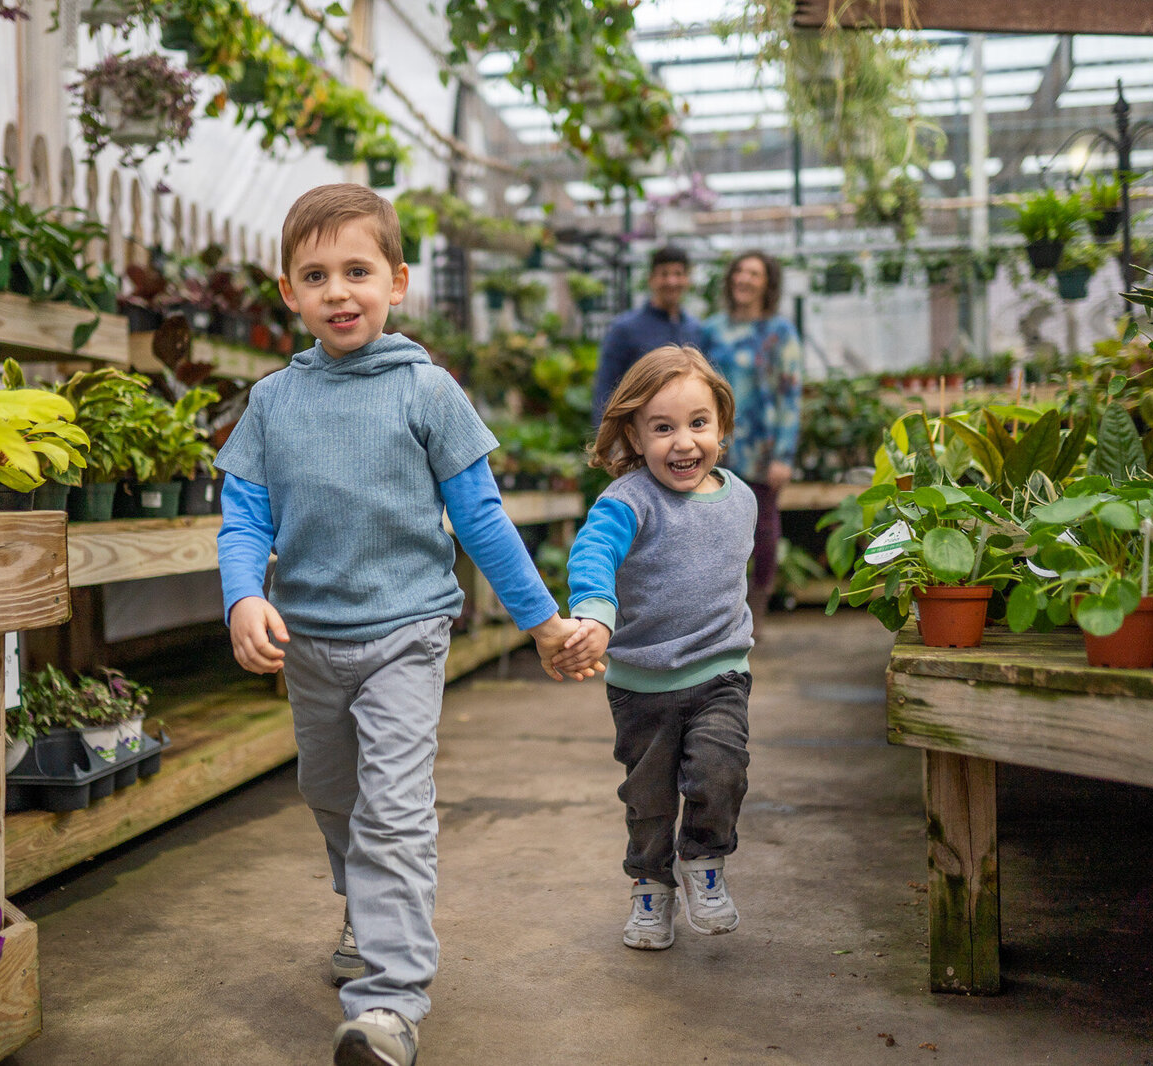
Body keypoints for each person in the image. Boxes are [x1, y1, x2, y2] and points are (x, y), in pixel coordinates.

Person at [214, 183, 594, 1066]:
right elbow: (244, 517)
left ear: (397, 282)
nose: (339, 292)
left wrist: (540, 622)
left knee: (392, 812)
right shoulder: (273, 402)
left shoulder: (428, 390)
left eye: (358, 271)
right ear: (289, 293)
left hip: (408, 635)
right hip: (309, 639)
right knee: (331, 795)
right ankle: (366, 915)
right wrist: (244, 594)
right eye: (317, 275)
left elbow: (483, 519)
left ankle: (388, 1002)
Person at [552, 345, 756, 952]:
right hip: (642, 685)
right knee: (648, 800)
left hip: (721, 671)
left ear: (721, 425)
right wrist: (595, 613)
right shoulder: (628, 501)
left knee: (721, 773)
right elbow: (592, 555)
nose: (684, 442)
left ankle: (705, 861)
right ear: (635, 437)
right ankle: (649, 886)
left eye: (698, 423)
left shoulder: (741, 498)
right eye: (662, 428)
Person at [700, 250, 802, 636]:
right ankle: (717, 613)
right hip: (717, 446)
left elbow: (790, 395)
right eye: (739, 271)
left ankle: (756, 611)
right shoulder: (711, 331)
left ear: (767, 283)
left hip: (762, 448)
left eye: (754, 274)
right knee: (710, 528)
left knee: (763, 529)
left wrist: (784, 454)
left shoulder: (780, 332)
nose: (744, 279)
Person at [591, 245, 699, 425]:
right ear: (651, 279)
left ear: (687, 280)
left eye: (678, 274)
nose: (672, 281)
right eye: (664, 274)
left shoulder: (694, 328)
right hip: (638, 433)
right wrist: (605, 441)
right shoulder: (625, 328)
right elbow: (605, 388)